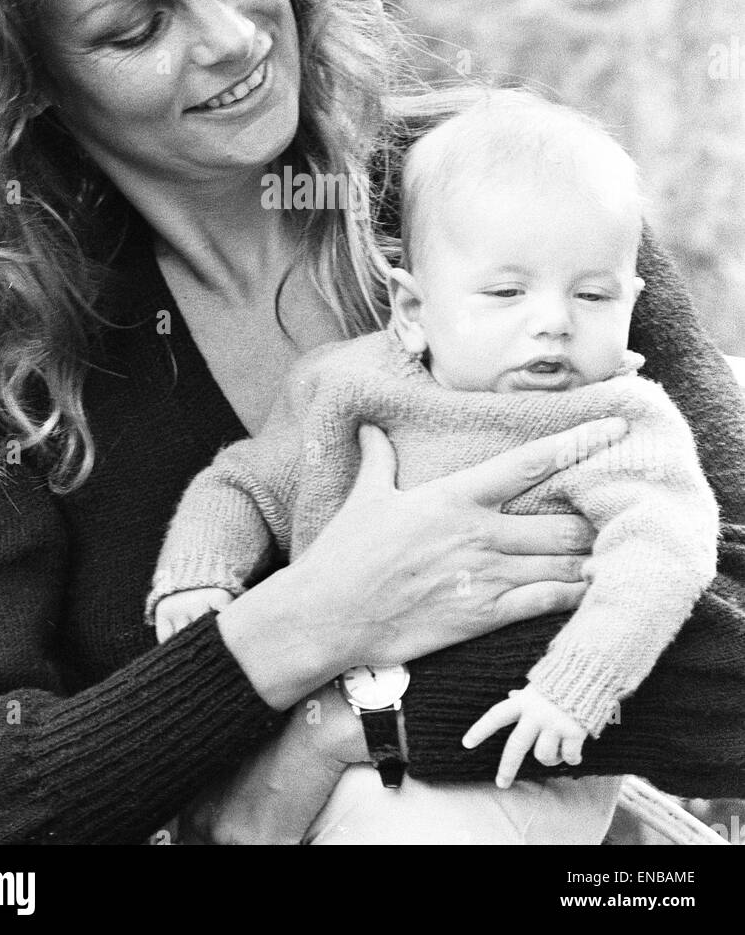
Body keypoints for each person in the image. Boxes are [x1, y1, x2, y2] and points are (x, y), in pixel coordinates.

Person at [0, 0, 742, 847]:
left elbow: (730, 620)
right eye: (138, 27)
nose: (235, 37)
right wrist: (308, 619)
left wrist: (345, 727)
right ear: (24, 80)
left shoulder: (493, 201)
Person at [148, 91, 720, 844]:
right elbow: (244, 481)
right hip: (312, 746)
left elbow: (666, 553)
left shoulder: (618, 424)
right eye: (507, 292)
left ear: (630, 302)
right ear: (412, 309)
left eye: (591, 294)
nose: (553, 319)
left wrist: (576, 686)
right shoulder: (348, 389)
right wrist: (197, 572)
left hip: (509, 761)